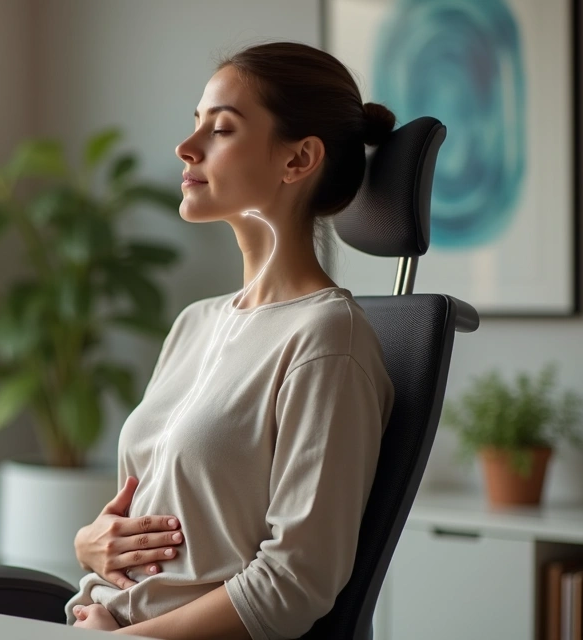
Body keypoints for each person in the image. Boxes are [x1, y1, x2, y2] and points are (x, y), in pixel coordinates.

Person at [65, 41, 397, 639]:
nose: (186, 147)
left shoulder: (326, 341)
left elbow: (293, 582)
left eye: (220, 129)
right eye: (196, 124)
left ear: (297, 161)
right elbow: (156, 517)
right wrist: (91, 546)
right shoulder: (196, 322)